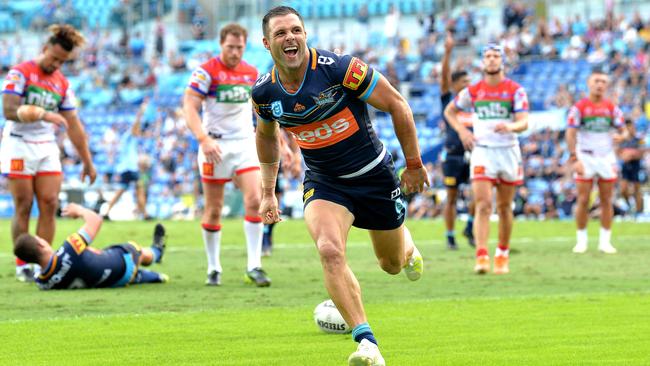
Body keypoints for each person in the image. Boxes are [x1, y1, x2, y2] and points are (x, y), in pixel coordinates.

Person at [253, 7, 427, 365]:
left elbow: (397, 104)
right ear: (267, 42)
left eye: (296, 30)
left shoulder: (340, 69)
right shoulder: (264, 91)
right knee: (329, 250)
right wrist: (268, 190)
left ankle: (407, 246)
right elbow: (266, 137)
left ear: (305, 34)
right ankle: (367, 343)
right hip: (325, 183)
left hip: (373, 176)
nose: (291, 38)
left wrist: (413, 164)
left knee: (391, 264)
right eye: (281, 33)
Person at [1, 24, 97, 282]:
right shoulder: (21, 73)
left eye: (62, 62)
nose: (56, 64)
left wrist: (87, 161)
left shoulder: (62, 84)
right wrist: (42, 113)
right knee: (24, 204)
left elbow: (74, 125)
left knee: (50, 203)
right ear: (44, 48)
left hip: (45, 145)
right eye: (54, 58)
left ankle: (43, 263)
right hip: (19, 142)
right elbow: (8, 110)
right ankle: (23, 264)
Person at [182, 23, 270, 287]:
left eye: (239, 47)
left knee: (255, 200)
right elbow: (189, 105)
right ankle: (213, 268)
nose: (234, 52)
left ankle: (254, 265)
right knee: (214, 209)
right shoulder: (206, 72)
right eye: (230, 47)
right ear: (221, 45)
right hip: (215, 147)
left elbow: (262, 111)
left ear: (245, 46)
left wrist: (283, 144)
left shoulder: (251, 73)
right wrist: (203, 138)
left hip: (244, 143)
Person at [444, 44, 529, 275]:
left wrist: (510, 125)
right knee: (482, 204)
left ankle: (502, 253)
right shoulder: (473, 91)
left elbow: (524, 122)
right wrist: (462, 132)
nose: (491, 60)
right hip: (482, 151)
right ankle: (481, 255)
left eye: (496, 56)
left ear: (502, 61)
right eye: (487, 56)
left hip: (508, 151)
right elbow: (450, 111)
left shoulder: (515, 90)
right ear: (483, 62)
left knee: (504, 207)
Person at [13, 203, 167, 290]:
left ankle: (153, 276)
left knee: (92, 257)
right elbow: (96, 221)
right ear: (41, 244)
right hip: (124, 264)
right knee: (133, 248)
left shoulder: (42, 282)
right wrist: (79, 211)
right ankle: (156, 252)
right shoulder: (69, 250)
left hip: (111, 281)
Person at [566, 69, 627, 254]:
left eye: (603, 81)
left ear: (607, 85)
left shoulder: (611, 108)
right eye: (596, 81)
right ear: (588, 83)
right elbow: (570, 132)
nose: (600, 85)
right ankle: (581, 240)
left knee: (607, 199)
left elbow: (623, 130)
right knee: (583, 199)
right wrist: (574, 157)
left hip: (606, 157)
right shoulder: (579, 108)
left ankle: (605, 241)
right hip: (585, 156)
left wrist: (621, 136)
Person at [439, 32, 475, 250]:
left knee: (478, 194)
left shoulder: (475, 102)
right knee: (451, 197)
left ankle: (470, 227)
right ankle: (450, 236)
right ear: (454, 86)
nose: (468, 86)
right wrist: (448, 52)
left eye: (469, 82)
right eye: (463, 82)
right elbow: (444, 77)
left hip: (474, 154)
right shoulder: (448, 100)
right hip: (453, 155)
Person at [103, 98, 150, 220]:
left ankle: (106, 212)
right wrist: (140, 113)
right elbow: (136, 125)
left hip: (124, 168)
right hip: (131, 168)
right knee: (139, 189)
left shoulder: (125, 139)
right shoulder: (130, 136)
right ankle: (145, 215)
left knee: (121, 191)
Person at [618, 119, 645, 218]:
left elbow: (642, 152)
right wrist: (623, 156)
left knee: (636, 190)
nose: (630, 129)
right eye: (628, 127)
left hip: (635, 166)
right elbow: (619, 152)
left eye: (632, 126)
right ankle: (630, 206)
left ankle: (638, 213)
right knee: (623, 190)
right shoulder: (622, 140)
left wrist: (631, 155)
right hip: (625, 166)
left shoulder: (638, 139)